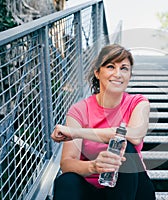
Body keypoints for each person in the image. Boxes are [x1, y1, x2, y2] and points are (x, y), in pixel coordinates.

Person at [50, 44, 156, 200]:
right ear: (97, 73)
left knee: (127, 148)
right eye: (111, 67)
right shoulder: (79, 110)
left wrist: (77, 132)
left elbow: (134, 135)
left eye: (124, 68)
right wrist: (93, 166)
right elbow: (67, 164)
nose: (118, 74)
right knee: (66, 181)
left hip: (133, 189)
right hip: (93, 188)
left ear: (130, 75)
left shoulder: (138, 102)